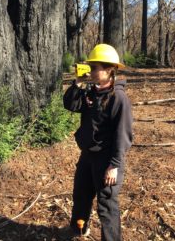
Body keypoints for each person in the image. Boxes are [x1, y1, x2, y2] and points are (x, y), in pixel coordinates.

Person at [61, 44, 133, 241]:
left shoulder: (119, 98)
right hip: (87, 157)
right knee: (81, 196)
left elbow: (123, 135)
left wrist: (114, 165)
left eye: (94, 67)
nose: (90, 71)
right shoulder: (91, 92)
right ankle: (78, 231)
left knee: (107, 205)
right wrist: (77, 83)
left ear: (109, 69)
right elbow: (70, 104)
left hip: (106, 160)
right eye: (90, 67)